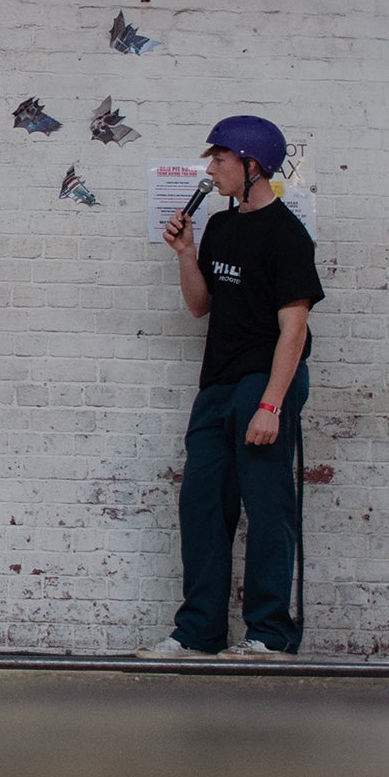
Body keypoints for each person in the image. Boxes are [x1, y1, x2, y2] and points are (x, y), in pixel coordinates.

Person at [138, 116, 323, 660]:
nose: (211, 168)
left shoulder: (288, 235)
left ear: (252, 166)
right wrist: (186, 254)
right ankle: (198, 633)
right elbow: (200, 306)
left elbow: (295, 329)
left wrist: (271, 404)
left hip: (265, 383)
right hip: (216, 384)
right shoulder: (219, 226)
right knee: (200, 508)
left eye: (220, 159)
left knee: (267, 511)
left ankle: (269, 634)